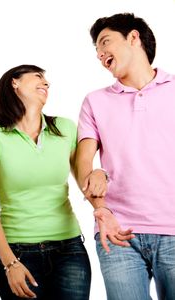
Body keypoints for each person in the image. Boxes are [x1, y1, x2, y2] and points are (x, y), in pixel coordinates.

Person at [76, 12, 175, 300]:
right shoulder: (94, 101)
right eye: (96, 51)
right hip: (116, 233)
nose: (100, 54)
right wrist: (99, 202)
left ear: (134, 38)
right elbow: (83, 162)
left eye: (105, 42)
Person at [0, 65, 91, 299]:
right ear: (14, 83)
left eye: (47, 80)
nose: (46, 83)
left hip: (69, 250)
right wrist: (10, 263)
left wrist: (100, 175)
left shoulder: (65, 128)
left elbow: (86, 181)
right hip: (18, 252)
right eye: (38, 77)